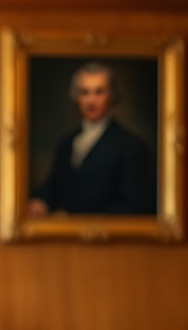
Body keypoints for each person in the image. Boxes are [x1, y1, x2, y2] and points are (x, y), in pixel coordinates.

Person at [29, 61, 156, 217]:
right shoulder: (66, 143)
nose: (91, 101)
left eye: (99, 92)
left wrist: (74, 218)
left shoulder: (131, 146)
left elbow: (134, 207)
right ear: (76, 97)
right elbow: (54, 186)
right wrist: (41, 201)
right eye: (84, 92)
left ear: (112, 96)